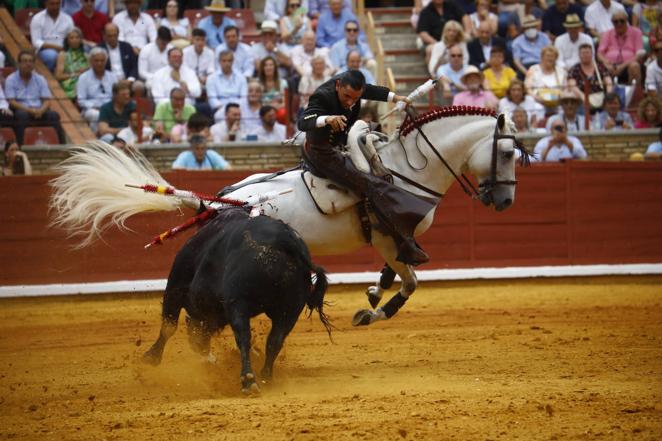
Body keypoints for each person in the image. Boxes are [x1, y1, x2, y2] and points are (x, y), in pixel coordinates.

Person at [297, 70, 432, 266]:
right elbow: (303, 122)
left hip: (342, 144)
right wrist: (326, 119)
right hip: (323, 152)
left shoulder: (354, 89)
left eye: (356, 98)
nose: (351, 102)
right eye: (347, 97)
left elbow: (373, 91)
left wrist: (396, 97)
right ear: (338, 86)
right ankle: (404, 242)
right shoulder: (322, 95)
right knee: (371, 185)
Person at [5, 50, 66, 145]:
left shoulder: (40, 79)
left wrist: (41, 110)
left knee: (54, 115)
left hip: (39, 110)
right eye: (24, 61)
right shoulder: (11, 79)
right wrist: (30, 110)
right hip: (21, 109)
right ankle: (21, 146)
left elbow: (47, 100)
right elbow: (11, 101)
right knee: (21, 116)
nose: (28, 64)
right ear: (19, 63)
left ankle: (62, 147)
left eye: (30, 61)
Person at [597, 10, 644, 87]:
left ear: (627, 21)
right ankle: (608, 95)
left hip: (628, 64)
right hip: (611, 65)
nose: (619, 24)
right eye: (616, 22)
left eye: (622, 21)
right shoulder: (607, 33)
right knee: (602, 67)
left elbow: (639, 54)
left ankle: (633, 95)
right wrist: (607, 62)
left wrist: (622, 66)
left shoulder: (636, 32)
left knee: (635, 66)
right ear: (612, 23)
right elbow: (599, 54)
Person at [77, 47, 117, 130]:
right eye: (97, 61)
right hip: (92, 109)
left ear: (106, 61)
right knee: (96, 115)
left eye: (102, 61)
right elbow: (81, 101)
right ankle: (99, 139)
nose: (99, 63)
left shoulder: (112, 76)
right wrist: (95, 106)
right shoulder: (83, 77)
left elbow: (116, 96)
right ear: (91, 61)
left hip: (110, 107)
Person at [30, 0, 74, 71]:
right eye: (52, 4)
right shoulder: (37, 18)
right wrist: (58, 48)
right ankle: (48, 77)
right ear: (46, 3)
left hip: (65, 49)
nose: (55, 7)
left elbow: (72, 36)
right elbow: (36, 42)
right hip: (44, 51)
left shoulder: (67, 19)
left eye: (57, 3)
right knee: (52, 55)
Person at [568, 44, 613, 113]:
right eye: (583, 53)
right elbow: (572, 85)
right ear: (579, 55)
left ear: (592, 54)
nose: (585, 55)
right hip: (582, 99)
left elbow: (608, 81)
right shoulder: (574, 69)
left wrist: (608, 96)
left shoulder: (600, 67)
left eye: (588, 53)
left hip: (601, 98)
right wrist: (583, 97)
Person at [207, 50, 248, 122]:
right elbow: (212, 99)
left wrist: (234, 109)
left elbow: (244, 97)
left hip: (238, 108)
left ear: (233, 61)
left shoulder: (241, 77)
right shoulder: (211, 78)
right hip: (220, 109)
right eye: (224, 61)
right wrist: (225, 109)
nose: (227, 63)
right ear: (219, 62)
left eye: (229, 61)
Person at [525, 46, 567, 112]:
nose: (550, 58)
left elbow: (566, 89)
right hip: (537, 102)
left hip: (557, 103)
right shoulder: (533, 69)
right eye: (547, 56)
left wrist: (559, 98)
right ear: (542, 57)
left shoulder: (561, 71)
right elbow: (527, 89)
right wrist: (537, 98)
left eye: (552, 56)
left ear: (556, 58)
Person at [54, 28, 89, 99]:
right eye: (71, 38)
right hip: (70, 83)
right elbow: (58, 76)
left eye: (77, 37)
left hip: (85, 81)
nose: (75, 40)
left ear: (81, 40)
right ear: (67, 40)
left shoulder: (86, 55)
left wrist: (86, 71)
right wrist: (75, 74)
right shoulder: (63, 55)